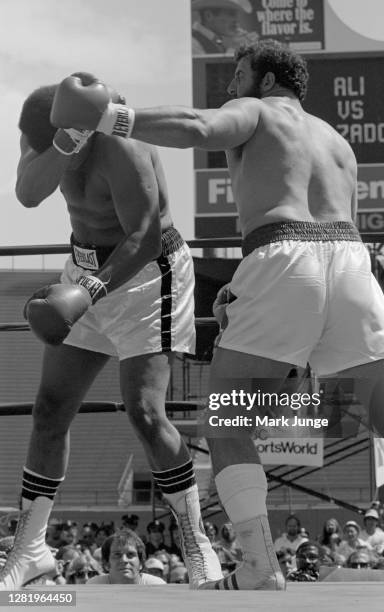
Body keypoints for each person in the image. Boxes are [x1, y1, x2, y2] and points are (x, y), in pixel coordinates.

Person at [49, 38, 384, 591]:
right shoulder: (338, 143)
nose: (231, 87)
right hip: (354, 262)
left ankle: (260, 566)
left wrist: (110, 117)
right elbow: (331, 255)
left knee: (227, 423)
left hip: (284, 257)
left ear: (265, 81)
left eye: (238, 76)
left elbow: (196, 127)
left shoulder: (258, 110)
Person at [0, 75, 222, 590]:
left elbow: (143, 237)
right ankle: (31, 549)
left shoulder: (121, 146)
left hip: (147, 274)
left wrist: (88, 294)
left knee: (145, 412)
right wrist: (58, 147)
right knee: (50, 408)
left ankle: (197, 541)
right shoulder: (42, 127)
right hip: (84, 268)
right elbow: (28, 194)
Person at [86, 528, 165, 585]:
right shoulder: (94, 585)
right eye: (117, 555)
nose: (124, 560)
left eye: (130, 554)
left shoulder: (157, 586)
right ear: (106, 564)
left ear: (141, 563)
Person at [191, 0, 256, 56]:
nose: (237, 20)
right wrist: (235, 48)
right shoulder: (193, 44)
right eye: (231, 14)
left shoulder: (216, 40)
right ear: (208, 16)